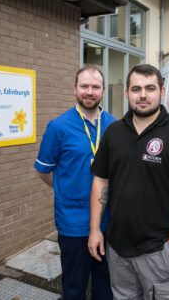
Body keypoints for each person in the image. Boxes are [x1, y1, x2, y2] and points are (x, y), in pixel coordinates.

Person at [88, 64, 169, 300]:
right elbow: (101, 181)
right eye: (136, 89)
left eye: (150, 88)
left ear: (162, 92)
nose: (143, 94)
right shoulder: (113, 132)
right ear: (127, 93)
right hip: (118, 250)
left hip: (158, 252)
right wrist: (95, 230)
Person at [34, 66, 115, 300]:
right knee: (74, 287)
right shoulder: (58, 127)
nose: (89, 92)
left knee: (106, 285)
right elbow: (44, 172)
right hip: (73, 224)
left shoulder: (114, 126)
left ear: (103, 90)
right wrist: (67, 189)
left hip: (108, 222)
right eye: (84, 86)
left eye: (95, 87)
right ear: (75, 89)